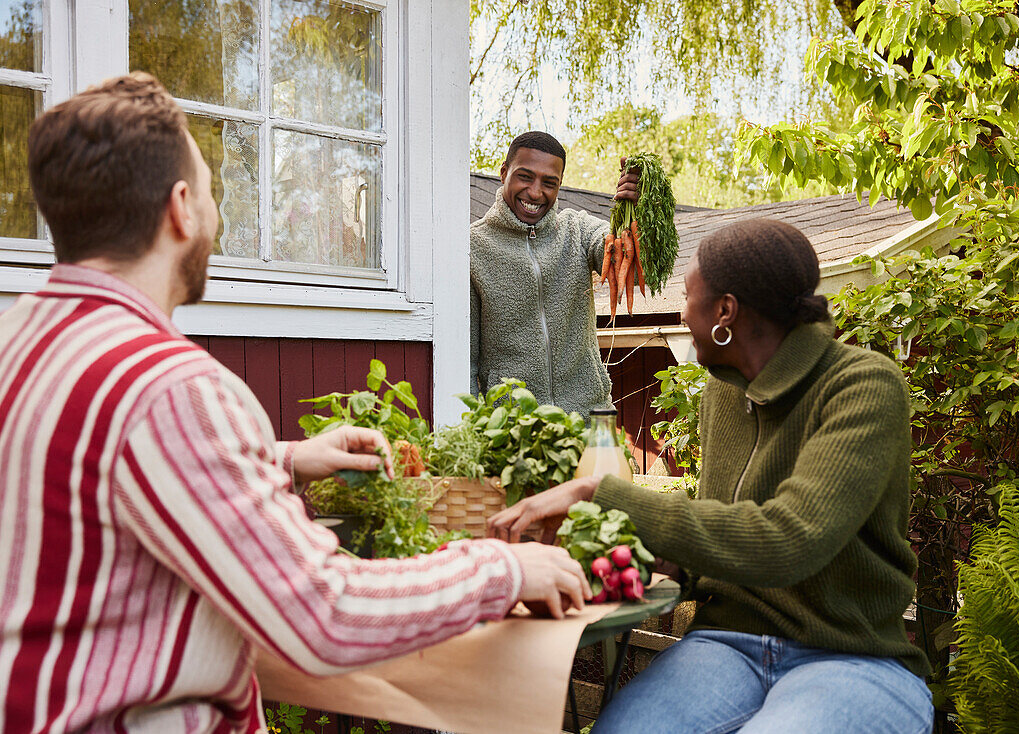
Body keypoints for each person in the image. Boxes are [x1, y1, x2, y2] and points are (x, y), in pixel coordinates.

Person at [0, 72, 589, 734]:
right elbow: (323, 613)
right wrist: (503, 568)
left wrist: (278, 456)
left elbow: (86, 460)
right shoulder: (170, 388)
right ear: (181, 208)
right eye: (215, 195)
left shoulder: (24, 344)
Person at [489, 219, 934, 733]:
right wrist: (623, 557)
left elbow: (788, 541)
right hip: (728, 644)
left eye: (688, 296)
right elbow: (717, 537)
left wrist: (602, 494)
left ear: (725, 311)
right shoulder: (724, 390)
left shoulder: (862, 385)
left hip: (850, 655)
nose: (681, 312)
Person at [470, 131, 638, 416]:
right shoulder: (472, 248)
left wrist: (636, 210)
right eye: (525, 176)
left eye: (549, 183)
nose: (536, 193)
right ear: (503, 173)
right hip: (514, 432)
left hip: (589, 422)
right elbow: (466, 360)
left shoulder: (578, 230)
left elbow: (626, 260)